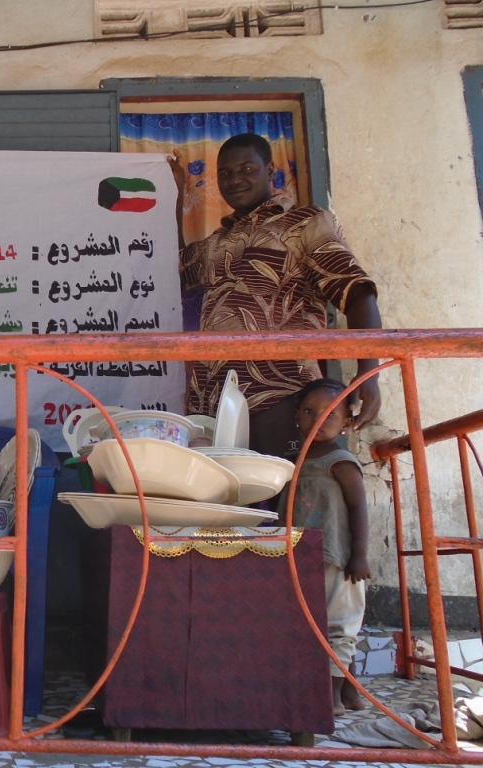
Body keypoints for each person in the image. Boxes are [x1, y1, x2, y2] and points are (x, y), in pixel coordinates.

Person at [170, 134, 382, 460]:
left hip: (282, 394)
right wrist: (173, 194)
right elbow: (174, 266)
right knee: (226, 494)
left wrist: (369, 374)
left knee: (285, 491)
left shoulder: (304, 223)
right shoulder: (215, 242)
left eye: (246, 169)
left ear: (269, 169)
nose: (234, 179)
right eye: (225, 173)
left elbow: (356, 293)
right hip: (212, 406)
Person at [279, 377, 369, 715]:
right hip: (304, 557)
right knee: (317, 623)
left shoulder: (340, 461)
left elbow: (359, 508)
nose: (318, 419)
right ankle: (350, 692)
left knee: (339, 625)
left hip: (336, 559)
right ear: (296, 416)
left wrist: (359, 555)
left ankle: (331, 699)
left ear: (345, 422)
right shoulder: (294, 461)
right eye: (309, 411)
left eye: (330, 413)